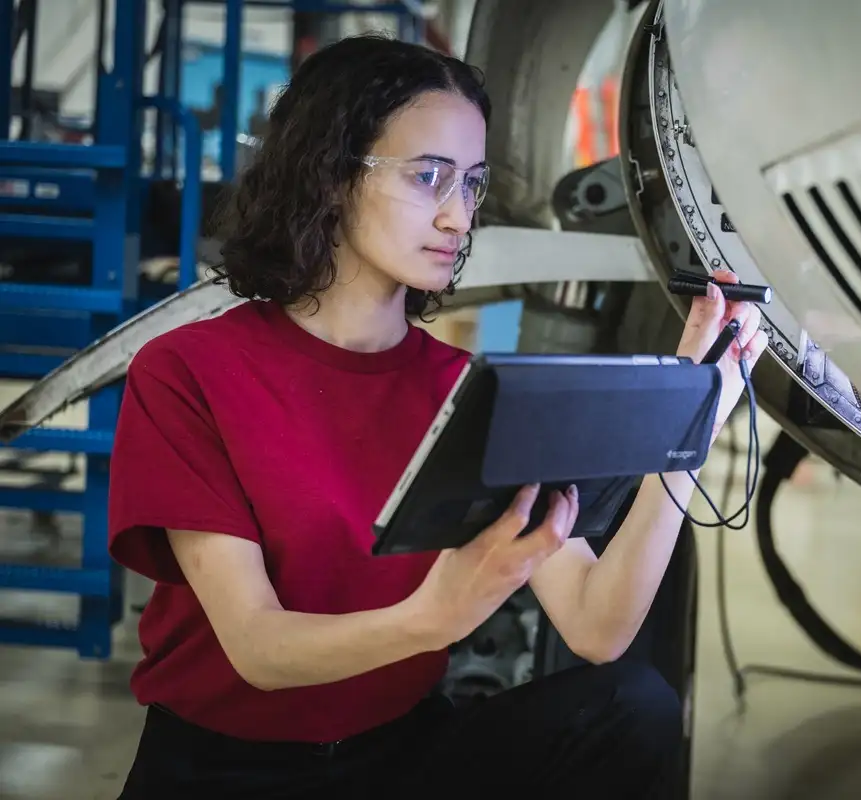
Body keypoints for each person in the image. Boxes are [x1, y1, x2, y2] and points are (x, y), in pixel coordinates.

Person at [108, 34, 768, 799]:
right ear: (330, 176)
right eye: (429, 178)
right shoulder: (191, 370)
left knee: (632, 709)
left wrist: (690, 420)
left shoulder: (468, 390)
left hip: (401, 754)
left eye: (474, 185)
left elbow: (596, 627)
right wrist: (433, 617)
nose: (460, 219)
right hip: (225, 771)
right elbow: (259, 649)